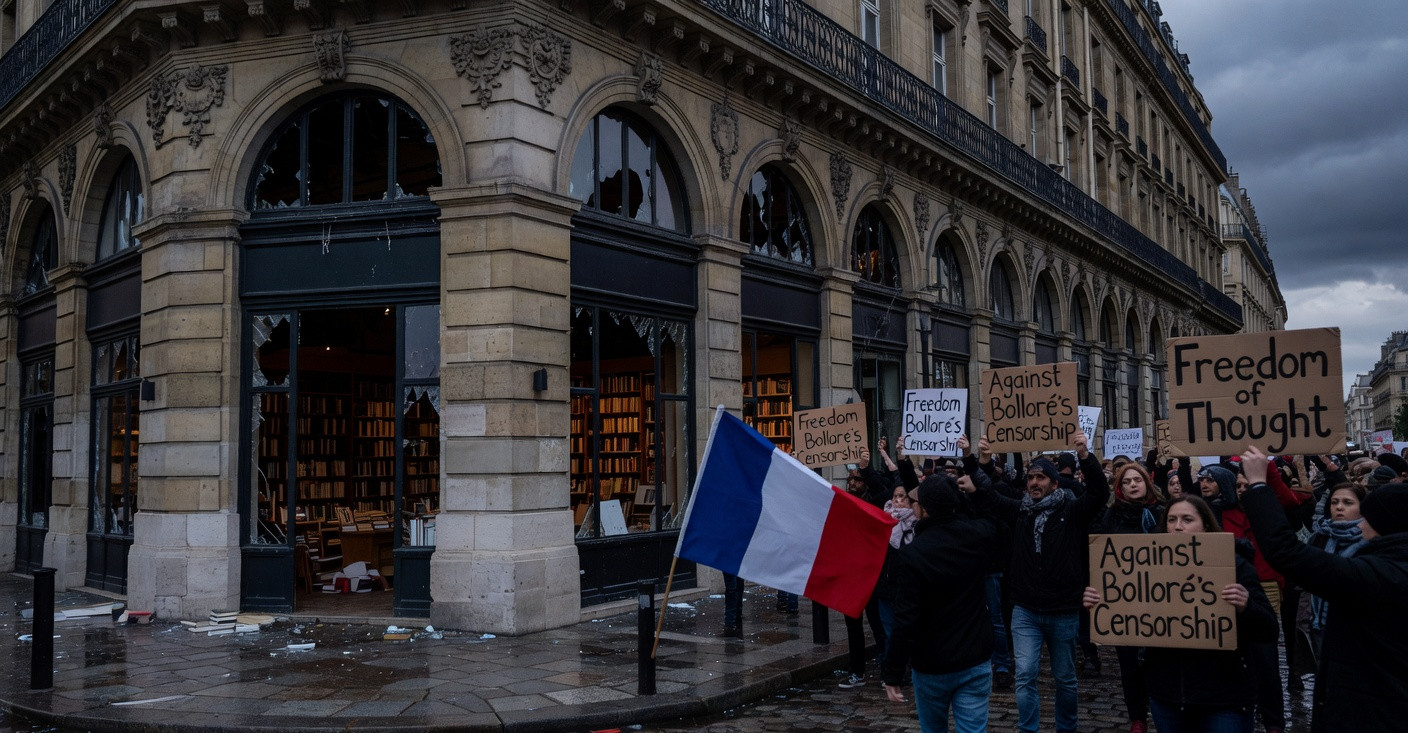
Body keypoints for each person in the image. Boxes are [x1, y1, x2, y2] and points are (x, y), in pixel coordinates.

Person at [1239, 446, 1408, 733]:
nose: (1360, 522)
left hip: (1371, 712)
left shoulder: (1377, 574)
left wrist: (1257, 484)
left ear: (1383, 525)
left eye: (1368, 517)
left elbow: (1286, 552)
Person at [1086, 494, 1278, 733]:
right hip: (1168, 697)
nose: (1177, 526)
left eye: (1187, 519)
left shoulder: (1235, 566)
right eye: (1172, 520)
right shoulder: (1146, 569)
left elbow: (1268, 629)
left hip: (1224, 698)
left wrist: (1246, 605)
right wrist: (1104, 601)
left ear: (1206, 525)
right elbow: (1131, 617)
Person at [970, 432, 1109, 733]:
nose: (1034, 482)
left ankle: (1066, 728)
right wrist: (977, 460)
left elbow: (1099, 493)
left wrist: (1086, 455)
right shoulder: (1020, 511)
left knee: (1065, 679)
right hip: (1026, 611)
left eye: (1041, 478)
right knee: (1025, 673)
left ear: (1055, 483)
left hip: (1062, 610)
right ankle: (1028, 729)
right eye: (1031, 477)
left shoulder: (1071, 511)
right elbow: (987, 494)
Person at [882, 473, 1002, 733]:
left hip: (932, 664)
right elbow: (991, 515)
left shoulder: (913, 554)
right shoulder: (977, 536)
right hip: (974, 656)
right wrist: (975, 492)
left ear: (923, 510)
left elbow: (905, 620)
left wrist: (893, 672)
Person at [1096, 462, 1164, 733]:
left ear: (1147, 483)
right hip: (1124, 602)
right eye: (1127, 481)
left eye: (1138, 480)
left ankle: (1161, 712)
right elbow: (1103, 557)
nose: (1133, 484)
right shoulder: (1111, 517)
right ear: (1120, 488)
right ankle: (1137, 717)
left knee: (1157, 662)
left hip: (1161, 600)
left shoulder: (1162, 514)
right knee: (1128, 664)